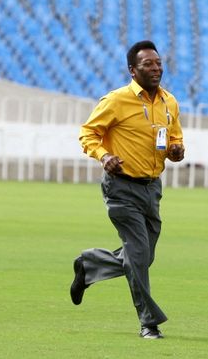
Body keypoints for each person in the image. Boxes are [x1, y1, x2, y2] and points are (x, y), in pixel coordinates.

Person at [71, 40, 185, 340]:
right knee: (137, 254)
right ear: (133, 71)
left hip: (152, 188)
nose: (156, 68)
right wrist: (103, 155)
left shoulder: (169, 102)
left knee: (143, 256)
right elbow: (88, 132)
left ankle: (90, 264)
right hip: (122, 187)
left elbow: (174, 138)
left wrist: (176, 150)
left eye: (158, 62)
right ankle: (149, 322)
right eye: (148, 64)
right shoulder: (116, 100)